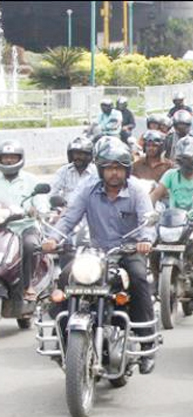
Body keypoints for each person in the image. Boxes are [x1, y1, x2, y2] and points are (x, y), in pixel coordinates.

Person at [43, 138, 157, 374]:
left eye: (119, 168)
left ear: (126, 170)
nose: (114, 173)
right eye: (109, 168)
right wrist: (54, 238)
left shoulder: (136, 190)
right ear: (101, 169)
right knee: (66, 278)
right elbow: (69, 217)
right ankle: (62, 337)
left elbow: (148, 220)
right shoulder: (88, 189)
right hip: (95, 252)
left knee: (138, 278)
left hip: (127, 250)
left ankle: (147, 343)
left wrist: (145, 241)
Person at [0, 140, 48, 302]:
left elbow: (42, 205)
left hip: (25, 227)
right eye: (5, 157)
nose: (8, 161)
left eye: (12, 157)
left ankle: (28, 285)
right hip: (2, 226)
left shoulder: (31, 180)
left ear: (20, 158)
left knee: (30, 245)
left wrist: (36, 211)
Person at [150, 136, 193, 211]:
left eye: (189, 159)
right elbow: (155, 194)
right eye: (183, 159)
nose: (186, 163)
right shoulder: (171, 174)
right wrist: (147, 211)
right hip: (172, 219)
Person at [52, 136, 98, 205]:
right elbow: (52, 192)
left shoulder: (96, 172)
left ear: (89, 155)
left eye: (80, 154)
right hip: (66, 211)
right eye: (75, 154)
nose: (77, 157)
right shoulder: (64, 171)